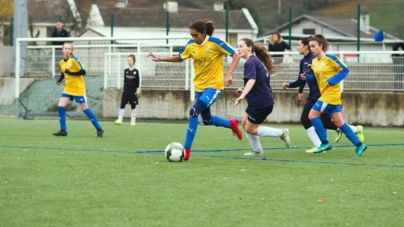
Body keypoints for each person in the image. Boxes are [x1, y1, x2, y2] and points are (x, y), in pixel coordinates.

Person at [147, 20, 242, 161]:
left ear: (204, 33)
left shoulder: (215, 43)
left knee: (193, 111)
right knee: (207, 120)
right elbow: (179, 58)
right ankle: (231, 124)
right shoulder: (191, 45)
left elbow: (236, 55)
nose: (193, 38)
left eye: (196, 35)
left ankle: (186, 150)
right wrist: (160, 59)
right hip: (199, 87)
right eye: (191, 35)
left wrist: (228, 74)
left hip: (214, 86)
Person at [281, 37, 364, 153]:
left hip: (331, 94)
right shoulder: (315, 61)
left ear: (321, 46)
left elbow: (345, 70)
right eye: (310, 46)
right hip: (324, 94)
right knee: (338, 123)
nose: (311, 49)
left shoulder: (330, 58)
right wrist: (307, 78)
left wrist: (333, 80)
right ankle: (359, 145)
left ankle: (324, 143)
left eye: (313, 46)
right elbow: (315, 77)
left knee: (312, 116)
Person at [235, 38, 290, 156]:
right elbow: (258, 82)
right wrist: (244, 90)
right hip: (259, 100)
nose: (238, 49)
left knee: (251, 129)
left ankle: (281, 133)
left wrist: (242, 95)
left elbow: (252, 80)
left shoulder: (250, 62)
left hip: (261, 102)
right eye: (237, 46)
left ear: (249, 48)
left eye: (241, 46)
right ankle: (257, 151)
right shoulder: (255, 61)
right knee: (245, 124)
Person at [53, 42, 104, 138]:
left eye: (69, 49)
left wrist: (71, 73)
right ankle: (63, 130)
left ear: (71, 51)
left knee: (85, 109)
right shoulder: (61, 63)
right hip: (68, 88)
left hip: (78, 89)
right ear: (62, 50)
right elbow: (64, 73)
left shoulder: (75, 60)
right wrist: (59, 80)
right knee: (60, 106)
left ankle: (99, 129)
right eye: (66, 48)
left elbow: (83, 71)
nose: (67, 50)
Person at [115, 54, 142, 126]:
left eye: (130, 60)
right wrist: (123, 88)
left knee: (133, 105)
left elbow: (139, 80)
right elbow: (124, 80)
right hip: (126, 89)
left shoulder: (137, 70)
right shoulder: (125, 70)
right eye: (128, 60)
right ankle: (120, 119)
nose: (129, 61)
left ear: (134, 61)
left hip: (133, 90)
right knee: (122, 103)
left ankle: (133, 121)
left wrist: (139, 89)